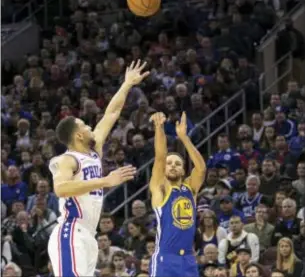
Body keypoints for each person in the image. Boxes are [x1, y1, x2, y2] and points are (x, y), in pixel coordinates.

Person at [47, 60, 149, 276]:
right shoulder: (67, 160)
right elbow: (61, 189)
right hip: (71, 231)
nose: (90, 127)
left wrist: (127, 84)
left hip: (88, 235)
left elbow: (111, 114)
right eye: (85, 125)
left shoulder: (94, 151)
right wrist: (106, 181)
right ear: (78, 135)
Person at [148, 112, 206, 277]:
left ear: (183, 170)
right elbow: (160, 157)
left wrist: (184, 138)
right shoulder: (161, 188)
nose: (173, 166)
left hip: (188, 258)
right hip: (165, 258)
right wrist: (159, 128)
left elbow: (201, 169)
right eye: (170, 163)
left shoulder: (190, 189)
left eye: (177, 164)